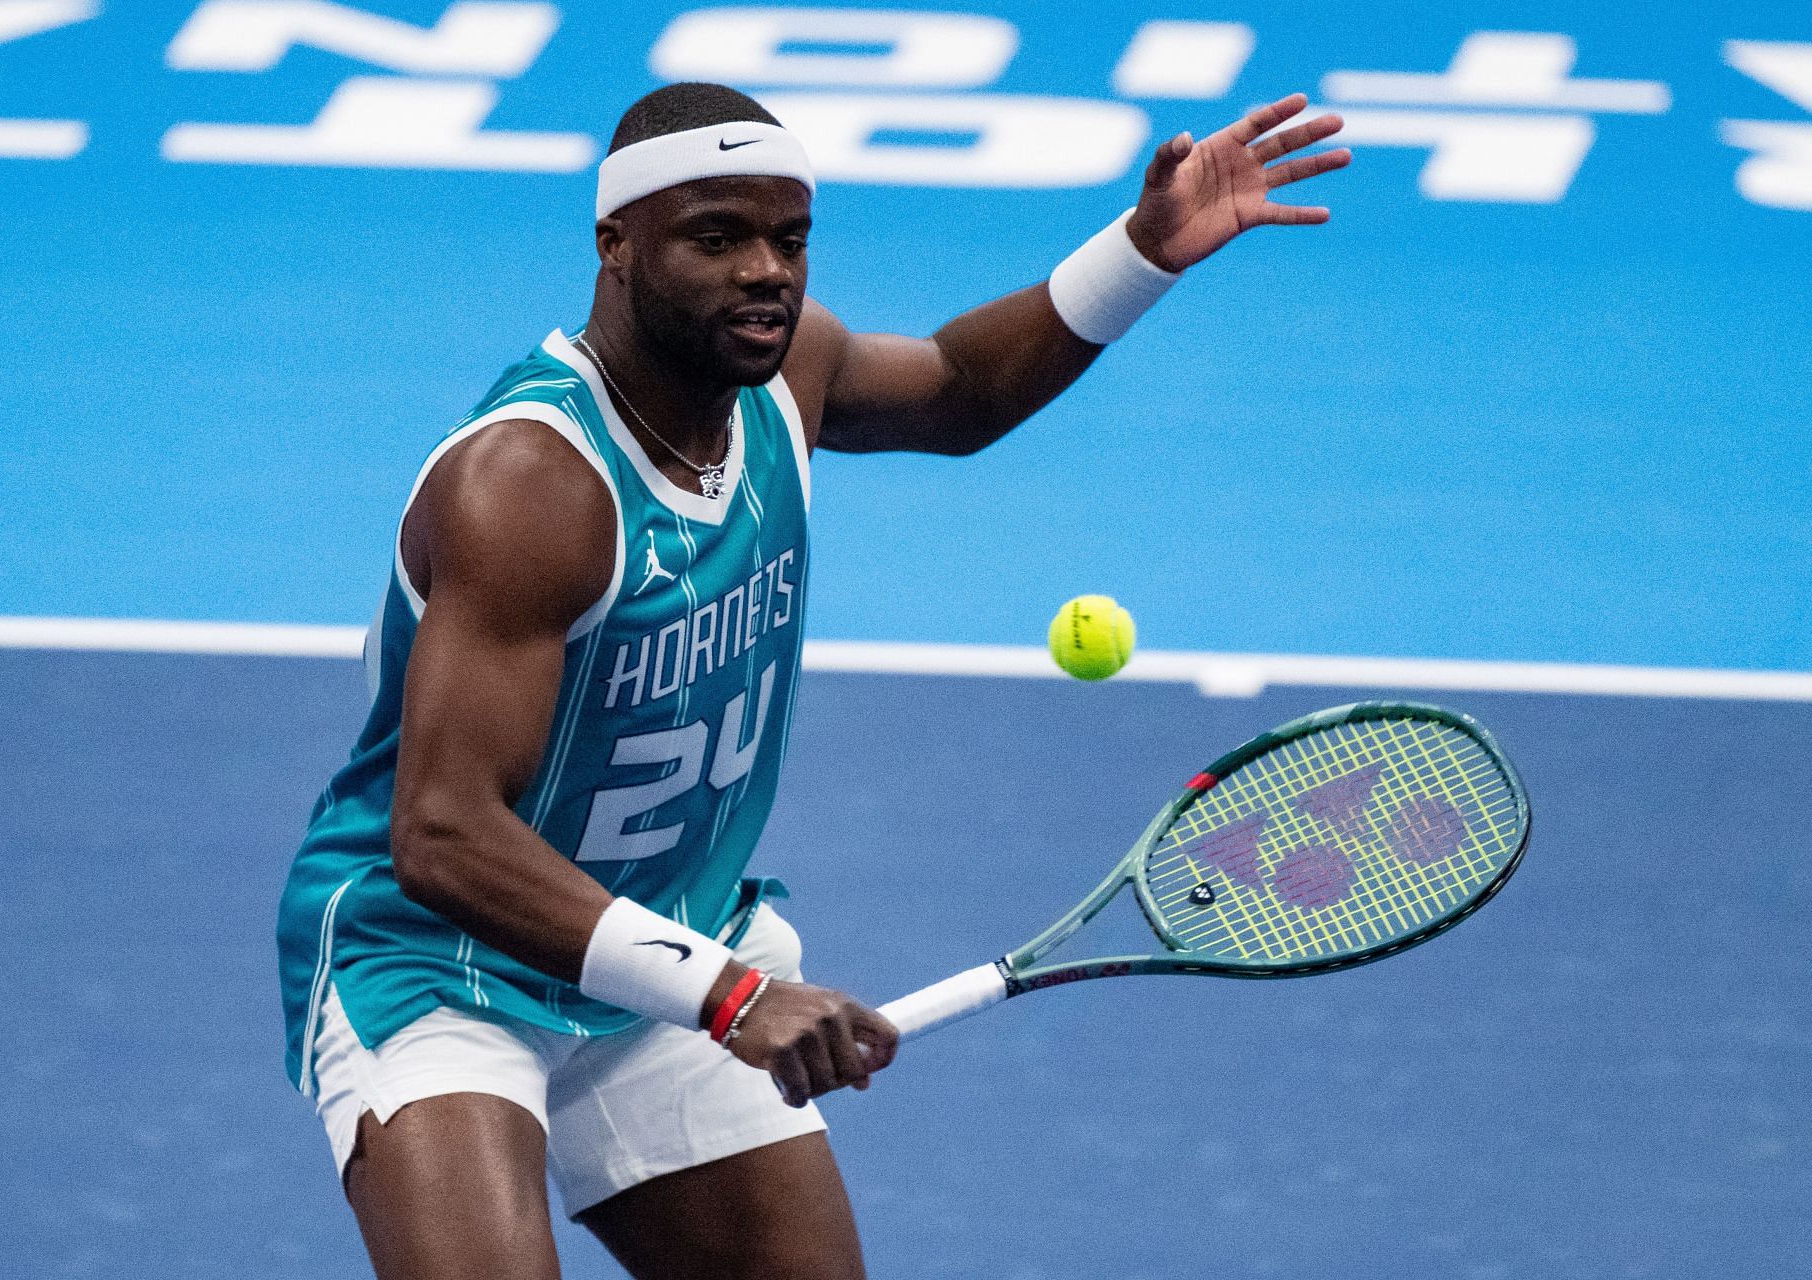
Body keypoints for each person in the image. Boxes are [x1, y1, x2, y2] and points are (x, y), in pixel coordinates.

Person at [276, 80, 1347, 1280]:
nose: (766, 273)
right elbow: (443, 833)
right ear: (615, 247)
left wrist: (1141, 252)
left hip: (670, 950)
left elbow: (955, 383)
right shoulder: (532, 487)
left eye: (788, 239)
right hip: (446, 963)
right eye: (717, 238)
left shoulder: (789, 381)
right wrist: (733, 998)